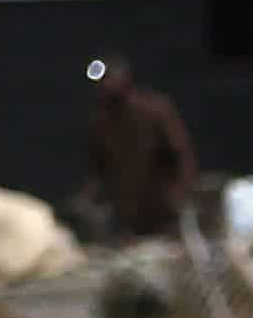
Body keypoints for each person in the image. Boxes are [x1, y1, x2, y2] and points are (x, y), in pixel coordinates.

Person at [82, 52, 197, 244]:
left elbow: (180, 154)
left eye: (109, 79)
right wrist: (88, 199)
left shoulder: (154, 110)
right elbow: (98, 168)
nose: (105, 86)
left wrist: (180, 194)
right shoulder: (101, 123)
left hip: (163, 206)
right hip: (128, 213)